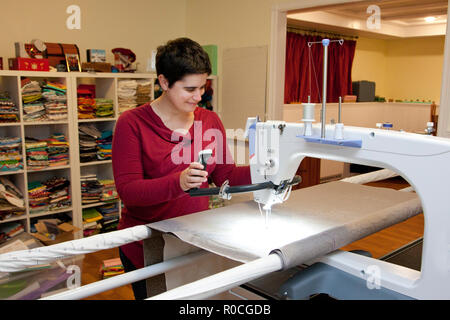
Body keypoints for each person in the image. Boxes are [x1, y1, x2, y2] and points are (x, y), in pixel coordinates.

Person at [112, 37, 251, 300]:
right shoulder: (132, 124)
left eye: (202, 87)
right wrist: (180, 182)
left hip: (194, 239)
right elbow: (129, 192)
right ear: (164, 82)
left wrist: (264, 169)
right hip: (149, 245)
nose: (199, 96)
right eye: (190, 89)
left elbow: (226, 178)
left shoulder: (209, 120)